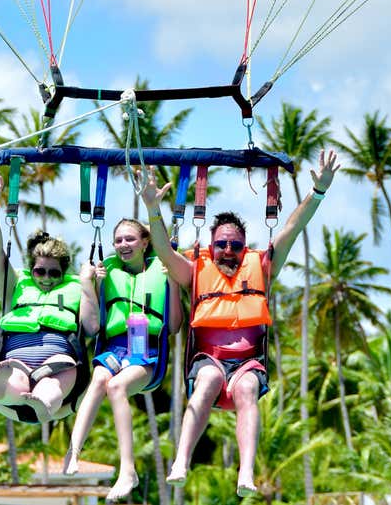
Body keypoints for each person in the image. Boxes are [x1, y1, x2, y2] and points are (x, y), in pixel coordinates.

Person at [141, 149, 339, 497]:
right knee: (206, 383)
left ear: (245, 247)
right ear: (211, 246)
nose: (228, 250)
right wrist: (153, 211)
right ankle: (181, 461)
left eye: (235, 245)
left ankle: (245, 471)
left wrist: (319, 191)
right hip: (209, 359)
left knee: (247, 390)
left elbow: (293, 227)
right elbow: (162, 251)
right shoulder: (194, 270)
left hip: (249, 361)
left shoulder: (261, 266)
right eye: (221, 244)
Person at [63, 218, 183, 501]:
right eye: (118, 240)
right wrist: (89, 283)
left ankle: (128, 470)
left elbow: (175, 327)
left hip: (147, 352)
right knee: (99, 379)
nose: (122, 245)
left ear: (145, 242)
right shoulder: (107, 272)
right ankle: (74, 451)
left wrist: (174, 285)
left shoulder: (162, 269)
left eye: (129, 239)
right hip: (115, 347)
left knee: (116, 387)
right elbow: (92, 325)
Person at [0, 171, 97, 423]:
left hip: (60, 364)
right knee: (15, 378)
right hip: (17, 362)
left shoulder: (77, 286)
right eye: (39, 271)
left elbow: (92, 327)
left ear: (64, 270)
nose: (46, 278)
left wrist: (88, 282)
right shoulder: (15, 285)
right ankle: (7, 389)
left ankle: (42, 401)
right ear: (30, 268)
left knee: (53, 382)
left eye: (54, 273)